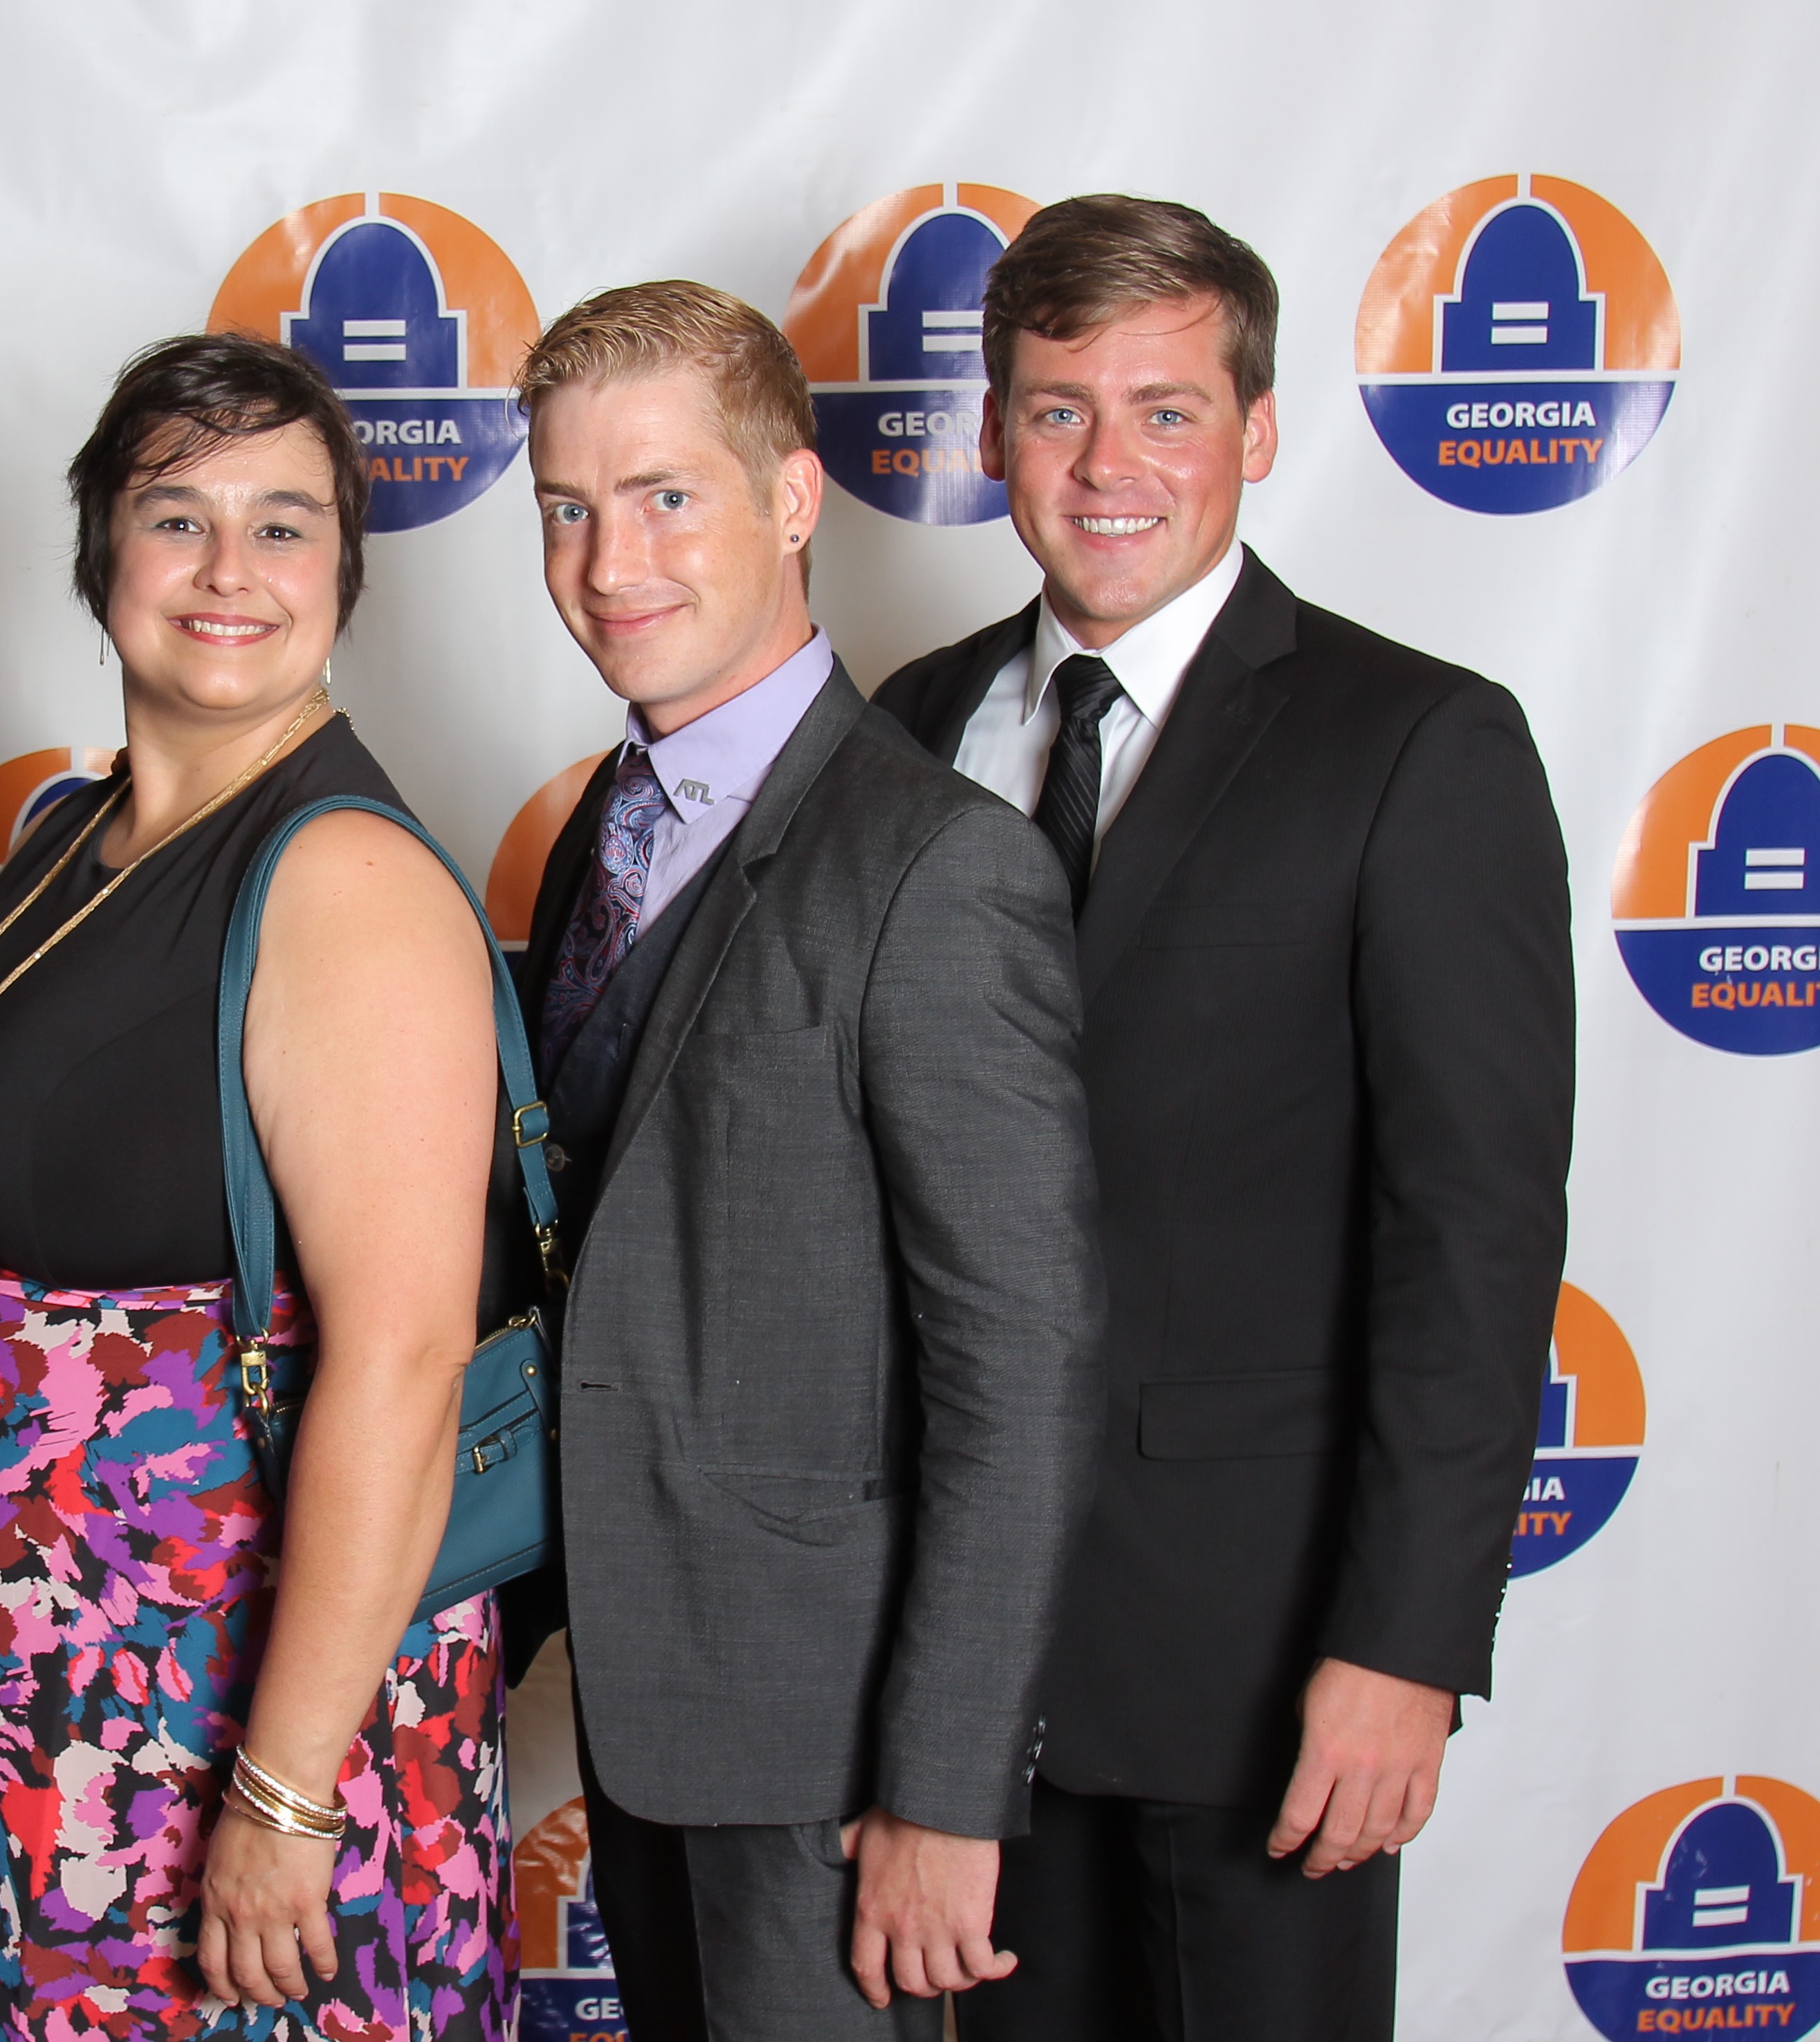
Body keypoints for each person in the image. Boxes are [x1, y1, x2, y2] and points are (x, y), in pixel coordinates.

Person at [871, 196, 1575, 2041]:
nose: (1105, 466)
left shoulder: (1415, 745)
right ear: (992, 435)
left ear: (1255, 433)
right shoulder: (906, 724)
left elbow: (1474, 1239)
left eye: (1164, 411)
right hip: (945, 1678)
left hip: (1254, 1670)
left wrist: (1404, 1646)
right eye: (1055, 410)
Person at [0, 331, 515, 2038]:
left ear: (343, 577)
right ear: (102, 559)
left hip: (218, 1729)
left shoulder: (341, 877)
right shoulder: (68, 842)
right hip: (41, 1712)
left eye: (284, 526)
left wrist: (285, 1798)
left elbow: (403, 1358)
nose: (231, 568)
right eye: (178, 517)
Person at [507, 280, 1103, 2038]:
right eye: (567, 507)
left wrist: (947, 1789)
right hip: (638, 1696)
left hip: (832, 1751)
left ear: (790, 499)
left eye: (665, 496)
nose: (609, 562)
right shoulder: (604, 825)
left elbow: (1022, 1366)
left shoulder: (940, 867)